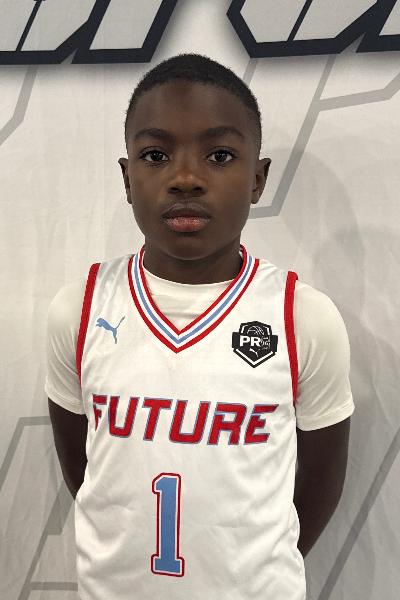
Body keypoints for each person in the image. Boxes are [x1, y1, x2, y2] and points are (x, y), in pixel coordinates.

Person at [46, 53, 354, 600]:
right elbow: (85, 472)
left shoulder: (302, 317)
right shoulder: (80, 309)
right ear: (128, 177)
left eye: (220, 155)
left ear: (258, 178)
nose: (186, 178)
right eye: (156, 155)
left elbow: (321, 481)